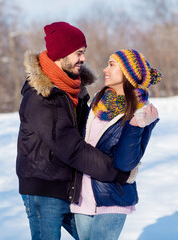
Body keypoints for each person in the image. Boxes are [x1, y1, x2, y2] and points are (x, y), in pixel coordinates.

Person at [16, 22, 132, 240]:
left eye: (84, 52)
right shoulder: (40, 97)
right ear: (61, 54)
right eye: (79, 52)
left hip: (71, 186)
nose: (83, 58)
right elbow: (72, 148)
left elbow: (90, 134)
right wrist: (116, 173)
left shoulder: (74, 89)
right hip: (44, 189)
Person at [70, 49, 162, 240]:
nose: (105, 69)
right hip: (82, 195)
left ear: (128, 73)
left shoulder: (142, 112)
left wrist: (136, 126)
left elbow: (125, 163)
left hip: (112, 196)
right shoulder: (97, 101)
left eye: (112, 65)